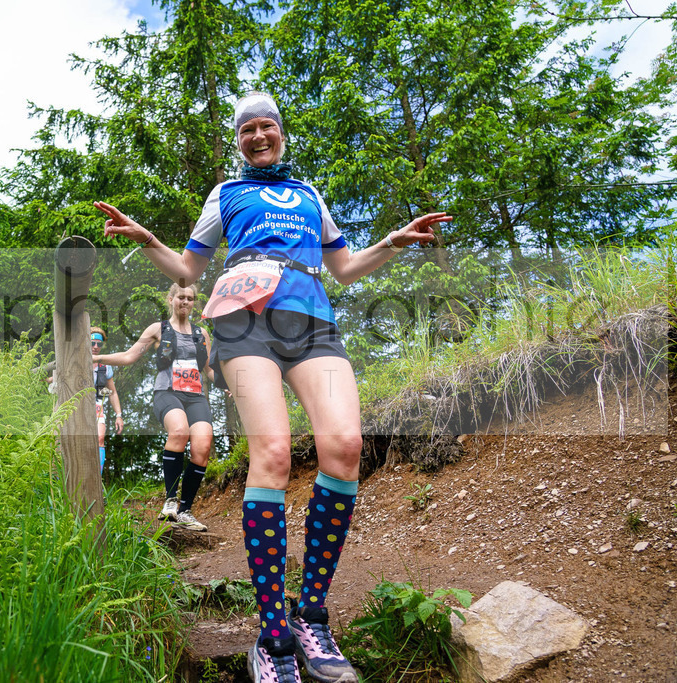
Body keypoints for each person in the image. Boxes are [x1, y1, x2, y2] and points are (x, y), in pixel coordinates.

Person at [94, 92, 452, 683]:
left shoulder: (309, 194)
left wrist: (393, 240)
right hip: (242, 321)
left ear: (281, 133)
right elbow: (188, 269)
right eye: (247, 130)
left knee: (345, 446)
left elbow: (344, 268)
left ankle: (311, 616)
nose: (258, 136)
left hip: (312, 321)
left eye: (267, 126)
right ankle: (273, 637)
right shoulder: (226, 193)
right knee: (274, 453)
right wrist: (146, 238)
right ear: (239, 141)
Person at [93, 284, 217, 532]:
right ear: (170, 299)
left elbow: (210, 369)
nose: (185, 302)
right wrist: (97, 358)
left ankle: (185, 511)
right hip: (167, 393)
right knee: (179, 431)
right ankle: (170, 501)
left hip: (195, 396)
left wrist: (227, 384)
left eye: (190, 298)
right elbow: (129, 356)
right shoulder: (158, 329)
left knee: (202, 446)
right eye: (181, 297)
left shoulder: (201, 333)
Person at [90, 327, 123, 473]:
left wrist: (118, 415)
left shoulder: (105, 366)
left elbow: (112, 392)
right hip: (75, 405)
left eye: (99, 344)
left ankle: (97, 479)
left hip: (96, 405)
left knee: (99, 438)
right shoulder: (74, 360)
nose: (96, 347)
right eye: (92, 343)